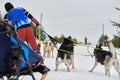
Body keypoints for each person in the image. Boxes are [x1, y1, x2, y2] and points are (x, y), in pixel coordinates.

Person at [4, 2, 49, 80]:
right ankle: (40, 62)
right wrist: (38, 24)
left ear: (6, 9)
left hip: (20, 30)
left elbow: (6, 26)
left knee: (19, 48)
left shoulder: (7, 15)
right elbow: (30, 16)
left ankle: (17, 65)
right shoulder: (21, 9)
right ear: (12, 6)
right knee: (34, 46)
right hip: (29, 28)